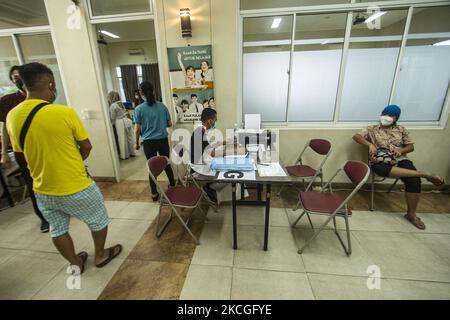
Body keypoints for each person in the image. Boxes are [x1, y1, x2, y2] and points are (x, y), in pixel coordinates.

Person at [6, 62, 122, 274]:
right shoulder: (63, 112)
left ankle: (75, 262)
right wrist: (75, 159)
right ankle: (101, 255)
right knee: (98, 220)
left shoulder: (12, 116)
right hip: (76, 185)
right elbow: (86, 146)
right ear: (50, 84)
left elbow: (21, 150)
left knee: (57, 228)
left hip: (42, 188)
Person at [353, 105, 445, 230]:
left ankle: (411, 214)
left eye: (391, 115)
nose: (387, 117)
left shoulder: (401, 129)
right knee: (381, 169)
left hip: (400, 158)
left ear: (396, 118)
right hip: (380, 159)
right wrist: (370, 145)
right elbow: (356, 137)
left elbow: (410, 147)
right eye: (385, 114)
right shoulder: (372, 128)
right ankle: (423, 173)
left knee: (414, 181)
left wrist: (401, 150)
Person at [0, 65, 49, 233]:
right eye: (14, 78)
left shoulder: (44, 97)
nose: (18, 80)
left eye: (20, 77)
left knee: (51, 182)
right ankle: (44, 219)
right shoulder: (7, 102)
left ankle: (58, 212)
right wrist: (4, 152)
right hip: (23, 153)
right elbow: (6, 127)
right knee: (34, 186)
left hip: (44, 149)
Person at [190, 108, 245, 202]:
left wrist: (224, 142)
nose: (215, 122)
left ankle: (210, 186)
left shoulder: (201, 130)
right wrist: (232, 152)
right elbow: (212, 152)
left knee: (227, 163)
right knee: (229, 173)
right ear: (209, 120)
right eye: (215, 120)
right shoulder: (199, 132)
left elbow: (207, 147)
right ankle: (210, 188)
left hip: (203, 161)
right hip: (199, 167)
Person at [134, 81, 176, 202]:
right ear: (152, 91)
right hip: (162, 140)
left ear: (141, 93)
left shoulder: (139, 109)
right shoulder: (162, 106)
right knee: (167, 164)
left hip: (149, 142)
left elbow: (137, 129)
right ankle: (172, 185)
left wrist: (136, 143)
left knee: (152, 168)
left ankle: (154, 193)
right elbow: (169, 123)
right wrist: (159, 124)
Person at [107, 91, 135, 160]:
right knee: (130, 138)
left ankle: (124, 155)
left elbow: (112, 117)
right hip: (126, 121)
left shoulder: (113, 105)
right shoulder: (120, 103)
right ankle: (132, 152)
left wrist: (111, 123)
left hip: (119, 122)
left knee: (122, 139)